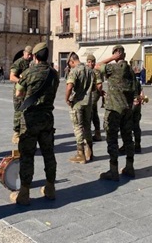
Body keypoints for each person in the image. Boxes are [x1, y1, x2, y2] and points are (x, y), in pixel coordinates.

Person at [10, 42, 59, 205]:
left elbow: (18, 92)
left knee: (27, 156)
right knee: (48, 153)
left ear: (35, 56)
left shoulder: (28, 73)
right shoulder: (54, 74)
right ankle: (50, 187)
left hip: (30, 119)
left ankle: (24, 193)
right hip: (47, 118)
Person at [96, 45, 138, 181]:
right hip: (127, 109)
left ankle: (113, 170)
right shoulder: (131, 71)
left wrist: (111, 58)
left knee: (112, 139)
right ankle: (129, 167)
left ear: (117, 55)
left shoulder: (113, 68)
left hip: (114, 109)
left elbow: (97, 65)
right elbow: (135, 89)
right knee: (128, 139)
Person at [66, 52, 95, 163]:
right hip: (88, 103)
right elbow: (93, 89)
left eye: (70, 64)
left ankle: (80, 154)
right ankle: (90, 151)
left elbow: (69, 87)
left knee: (78, 127)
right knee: (87, 126)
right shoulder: (90, 71)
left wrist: (67, 98)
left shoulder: (74, 71)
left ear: (72, 61)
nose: (70, 66)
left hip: (77, 103)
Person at [9, 45, 33, 143]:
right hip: (19, 92)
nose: (30, 56)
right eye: (28, 54)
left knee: (28, 111)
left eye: (32, 54)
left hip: (28, 92)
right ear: (24, 53)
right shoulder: (19, 63)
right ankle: (16, 133)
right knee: (19, 112)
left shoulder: (32, 63)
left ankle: (26, 131)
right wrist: (23, 82)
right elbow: (11, 77)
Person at [86, 54, 104, 141]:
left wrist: (99, 92)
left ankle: (88, 133)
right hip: (91, 94)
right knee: (95, 114)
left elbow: (99, 85)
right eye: (89, 62)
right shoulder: (89, 70)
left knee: (89, 113)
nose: (91, 63)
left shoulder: (96, 71)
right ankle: (97, 133)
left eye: (92, 62)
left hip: (93, 94)